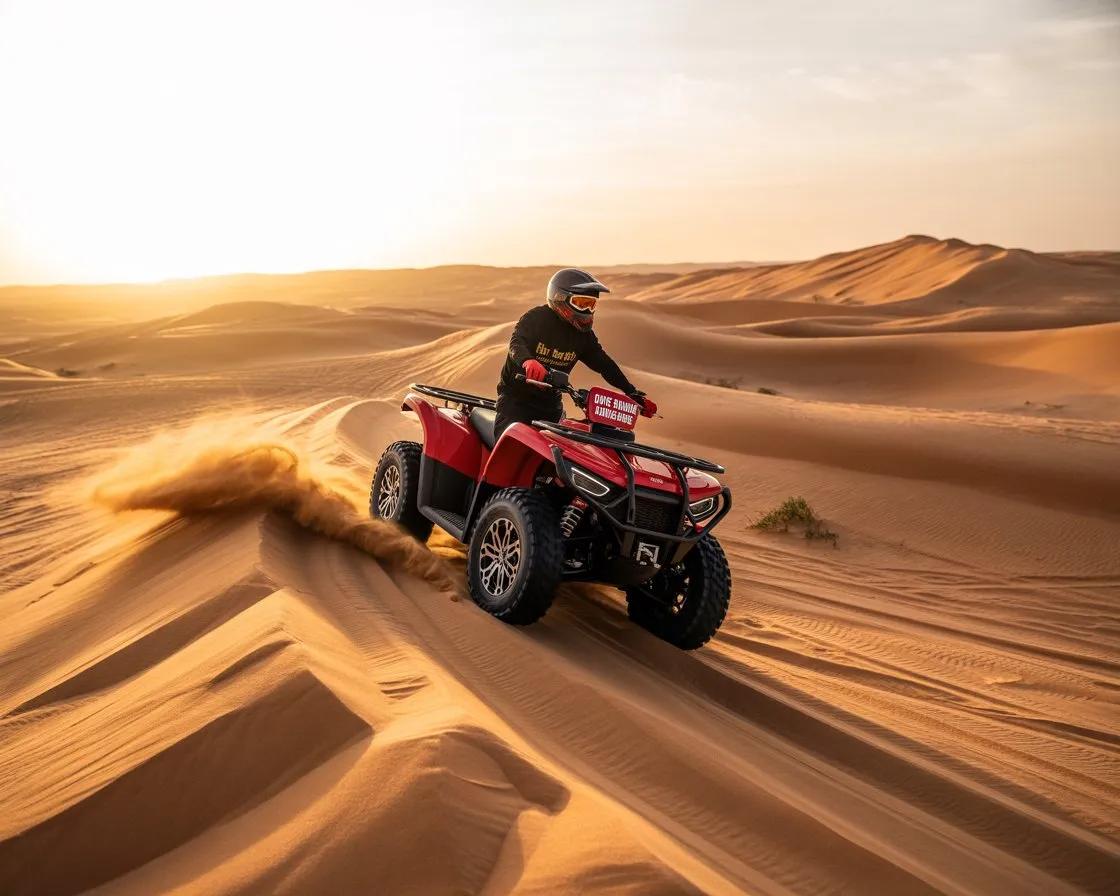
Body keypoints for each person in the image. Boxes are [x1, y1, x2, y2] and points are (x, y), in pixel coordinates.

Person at [494, 268, 657, 438]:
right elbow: (517, 343)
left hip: (550, 406)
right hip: (515, 402)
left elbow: (604, 365)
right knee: (508, 449)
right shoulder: (536, 319)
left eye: (591, 304)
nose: (587, 310)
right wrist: (527, 361)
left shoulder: (583, 336)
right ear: (560, 298)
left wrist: (632, 393)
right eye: (581, 303)